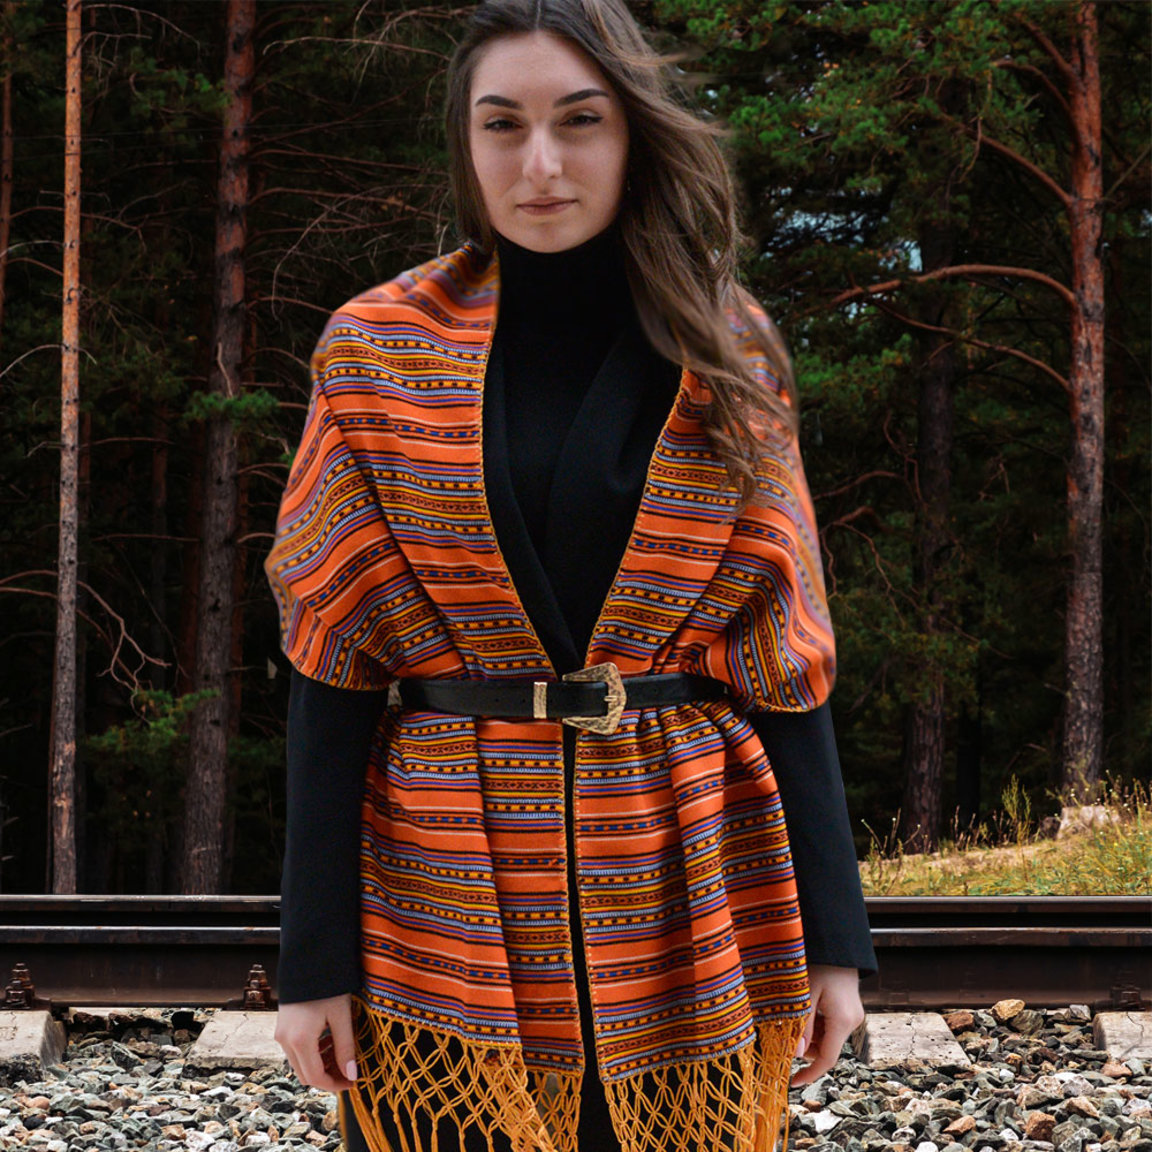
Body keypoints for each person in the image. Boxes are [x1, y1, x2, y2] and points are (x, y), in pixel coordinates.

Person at [265, 1, 876, 1149]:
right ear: (467, 144)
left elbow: (786, 665)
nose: (540, 163)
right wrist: (312, 965)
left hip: (681, 882)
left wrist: (835, 943)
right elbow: (332, 669)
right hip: (439, 900)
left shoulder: (727, 352)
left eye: (579, 121)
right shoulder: (373, 353)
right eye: (504, 125)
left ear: (634, 133)